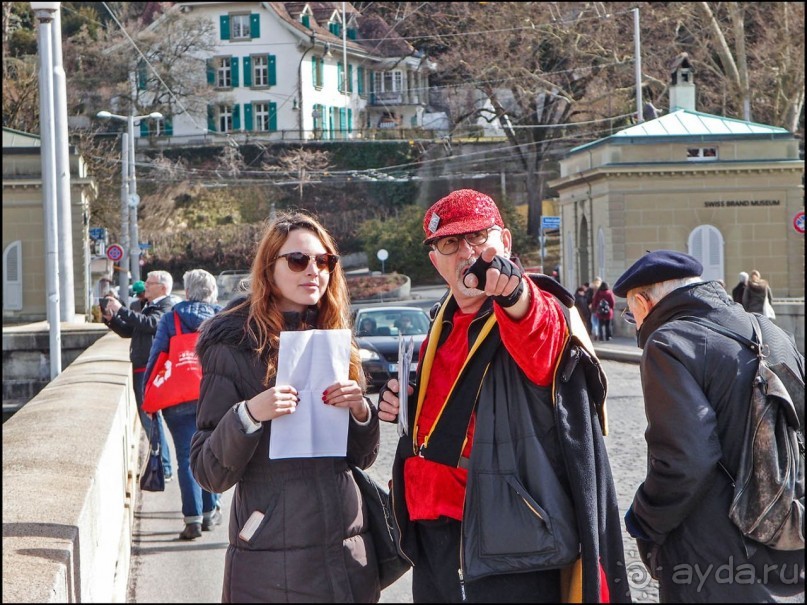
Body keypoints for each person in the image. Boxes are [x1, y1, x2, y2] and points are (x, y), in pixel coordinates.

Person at [378, 189, 629, 603]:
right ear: (435, 260)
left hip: (509, 538)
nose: (467, 253)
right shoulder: (440, 325)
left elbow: (540, 337)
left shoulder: (530, 305)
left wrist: (515, 295)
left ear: (506, 242)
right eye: (450, 243)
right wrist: (405, 405)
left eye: (479, 238)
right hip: (435, 533)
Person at [190, 212, 382, 602]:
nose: (313, 270)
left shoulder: (335, 335)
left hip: (346, 550)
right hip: (271, 559)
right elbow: (208, 472)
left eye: (324, 261)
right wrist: (249, 415)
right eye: (298, 260)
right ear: (269, 269)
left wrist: (361, 412)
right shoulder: (232, 345)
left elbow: (361, 458)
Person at [613, 250, 805, 602]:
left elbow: (685, 460)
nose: (635, 322)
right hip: (784, 539)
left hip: (709, 551)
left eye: (630, 313)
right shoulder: (771, 331)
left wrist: (644, 519)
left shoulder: (669, 342)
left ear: (643, 302)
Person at [144, 269, 223, 540]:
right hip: (213, 396)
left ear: (186, 292)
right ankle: (211, 512)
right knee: (213, 454)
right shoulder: (221, 317)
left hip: (177, 398)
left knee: (186, 459)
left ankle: (192, 520)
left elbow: (156, 358)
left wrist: (148, 395)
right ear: (212, 292)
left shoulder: (171, 318)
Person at [103, 270, 174, 480]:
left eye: (149, 283)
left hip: (149, 367)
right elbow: (130, 331)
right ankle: (163, 464)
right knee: (150, 418)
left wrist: (121, 310)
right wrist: (112, 319)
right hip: (141, 365)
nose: (145, 286)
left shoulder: (166, 306)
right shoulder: (148, 305)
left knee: (151, 417)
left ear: (162, 287)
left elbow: (151, 324)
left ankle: (164, 466)